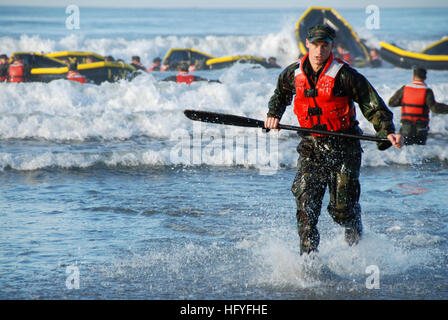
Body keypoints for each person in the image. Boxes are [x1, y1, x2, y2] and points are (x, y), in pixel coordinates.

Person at [264, 24, 403, 255]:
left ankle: (354, 226)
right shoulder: (292, 73)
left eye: (324, 46)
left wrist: (386, 131)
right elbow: (280, 95)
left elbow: (373, 105)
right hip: (311, 148)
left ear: (331, 46)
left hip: (344, 148)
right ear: (307, 44)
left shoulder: (346, 75)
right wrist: (273, 116)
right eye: (315, 45)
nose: (319, 51)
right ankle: (309, 266)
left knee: (341, 211)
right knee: (306, 208)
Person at [388, 67, 448, 145]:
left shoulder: (405, 88)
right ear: (425, 77)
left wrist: (406, 102)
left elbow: (391, 103)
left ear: (413, 76)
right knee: (420, 151)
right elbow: (434, 108)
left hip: (406, 127)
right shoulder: (427, 91)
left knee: (404, 149)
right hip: (421, 128)